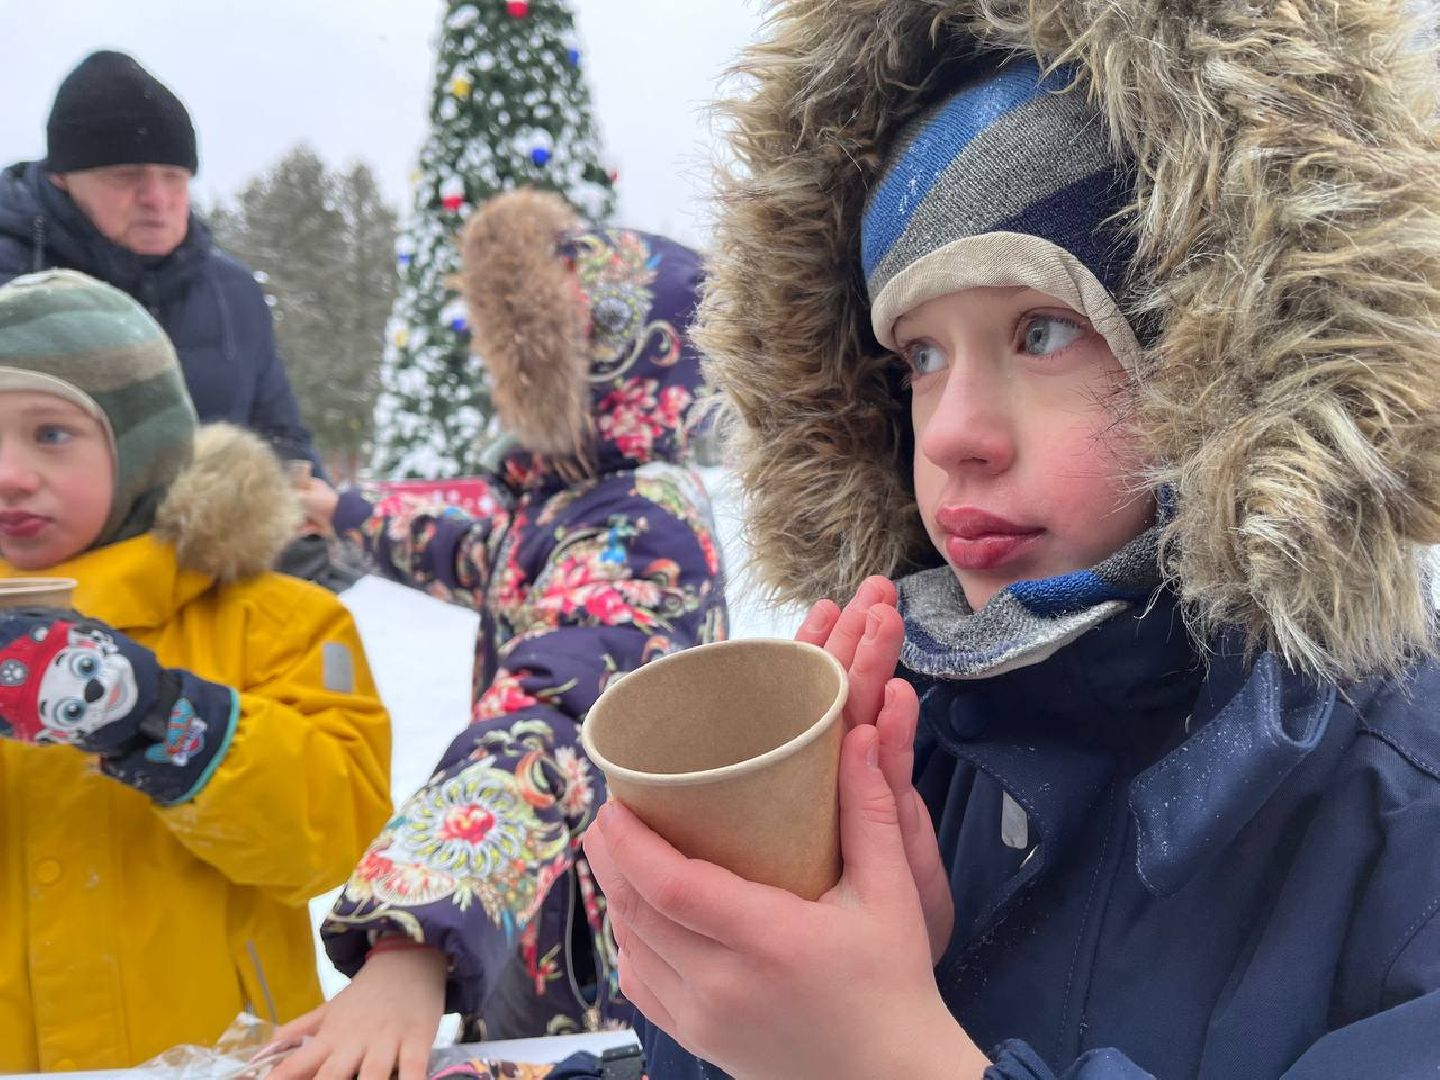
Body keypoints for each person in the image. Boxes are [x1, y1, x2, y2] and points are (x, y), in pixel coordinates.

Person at [581, 3, 1440, 1078]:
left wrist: (881, 1058)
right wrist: (773, 941)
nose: (950, 435)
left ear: (1230, 363)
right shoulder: (916, 745)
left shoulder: (1400, 810)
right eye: (919, 358)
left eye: (1044, 331)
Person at [267, 188, 727, 1076]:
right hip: (534, 891)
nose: (494, 379)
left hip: (599, 922)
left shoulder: (642, 526)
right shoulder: (562, 504)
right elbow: (468, 541)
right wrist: (342, 511)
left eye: (520, 358)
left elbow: (558, 710)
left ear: (592, 367)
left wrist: (414, 935)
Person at [0, 269, 392, 1071]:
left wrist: (158, 717)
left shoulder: (280, 619)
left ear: (143, 445)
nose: (9, 473)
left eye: (51, 434)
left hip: (221, 1055)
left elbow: (335, 839)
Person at [0, 50, 324, 474]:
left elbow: (280, 439)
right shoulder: (10, 279)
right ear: (61, 178)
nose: (157, 199)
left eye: (174, 178)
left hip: (204, 538)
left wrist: (303, 499)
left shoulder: (234, 294)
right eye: (126, 177)